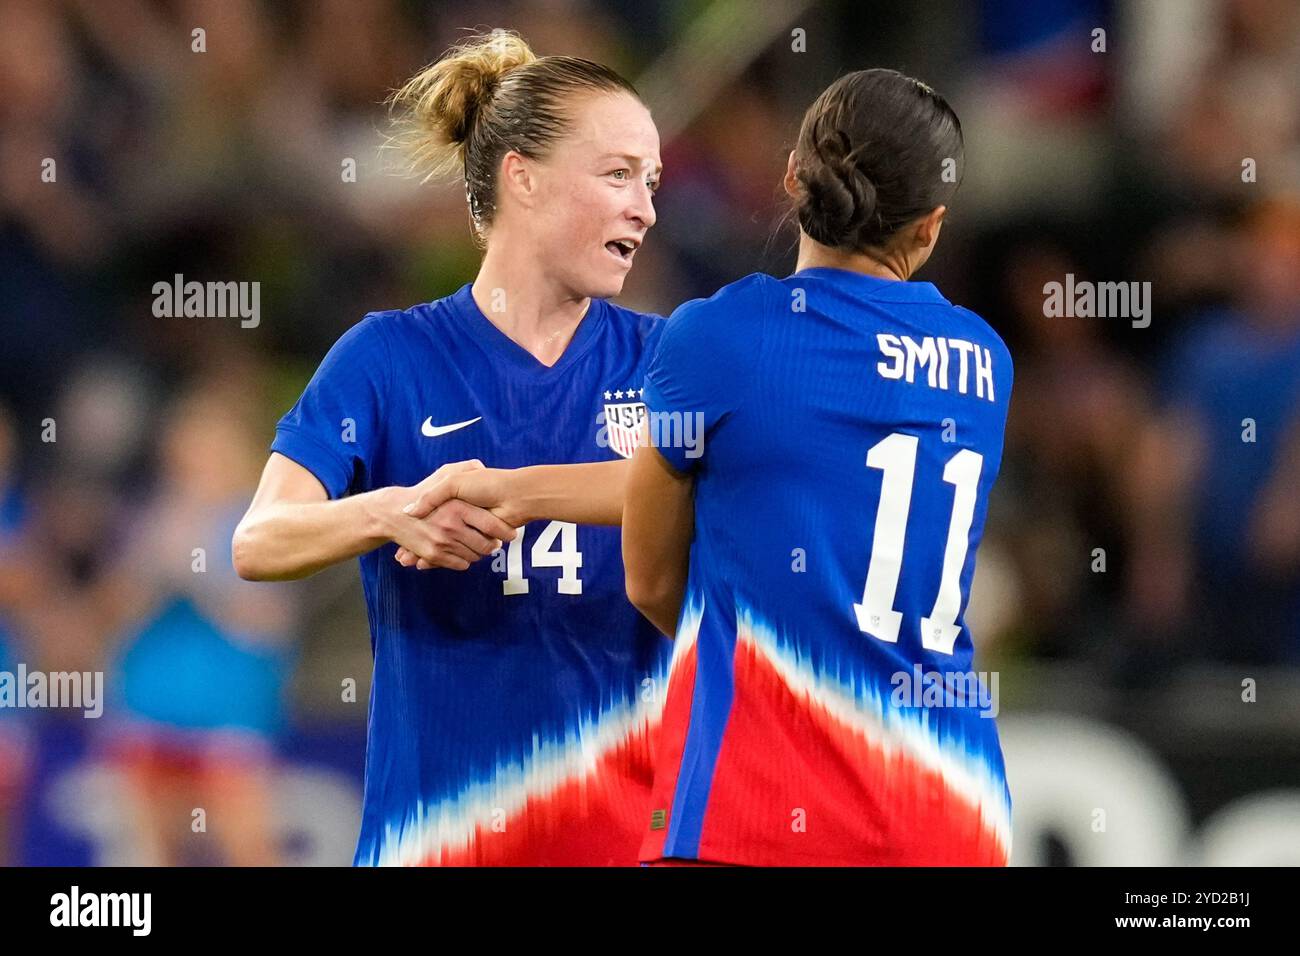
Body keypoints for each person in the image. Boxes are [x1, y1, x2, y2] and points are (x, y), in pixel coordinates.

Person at [232, 30, 670, 866]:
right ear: (524, 178)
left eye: (650, 182)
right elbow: (258, 541)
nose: (644, 207)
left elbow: (712, 500)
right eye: (617, 174)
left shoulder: (668, 363)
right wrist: (390, 513)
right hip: (435, 842)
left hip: (623, 844)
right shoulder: (387, 358)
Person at [623, 69, 1014, 866]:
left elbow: (651, 580)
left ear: (793, 177)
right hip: (951, 814)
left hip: (753, 812)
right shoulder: (987, 363)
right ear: (930, 228)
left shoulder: (718, 337)